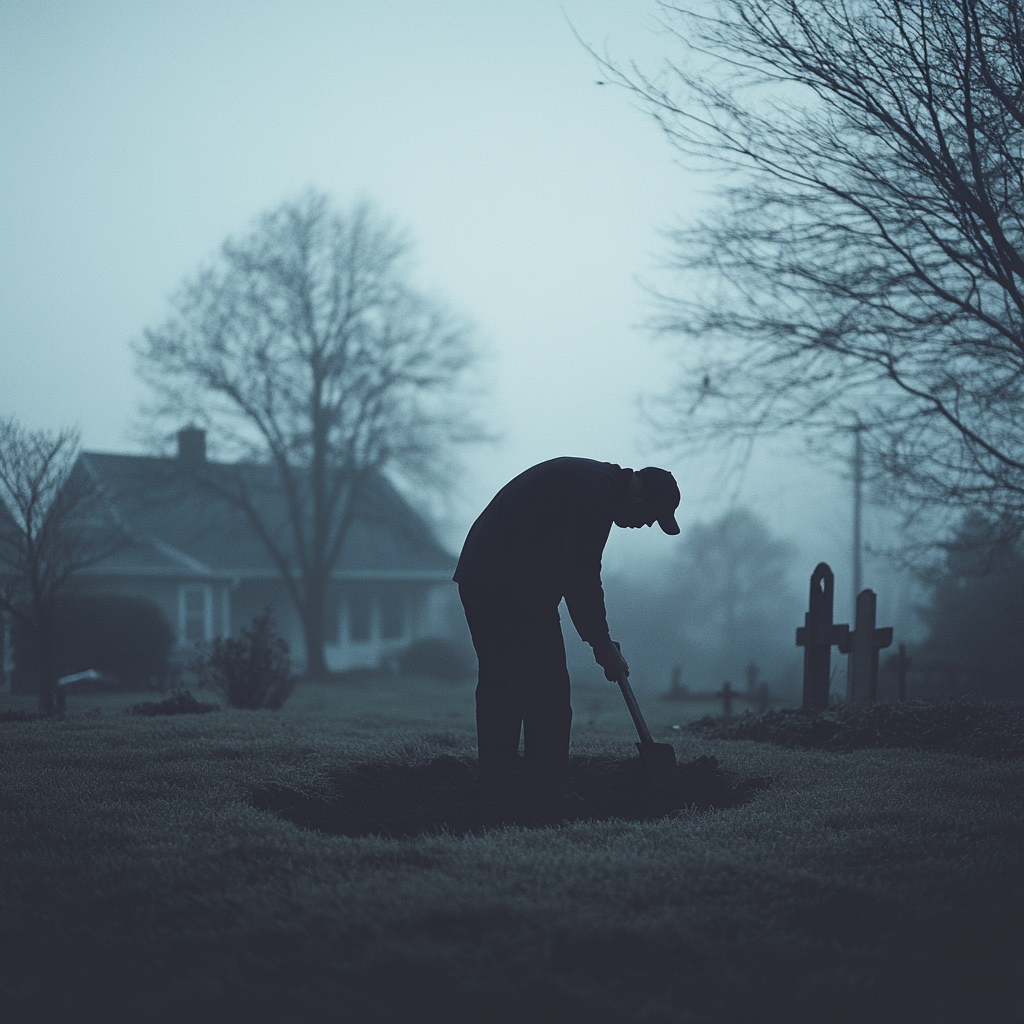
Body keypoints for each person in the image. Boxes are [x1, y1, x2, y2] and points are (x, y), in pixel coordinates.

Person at [454, 458, 680, 797]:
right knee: (547, 689)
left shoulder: (594, 482)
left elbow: (571, 569)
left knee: (501, 682)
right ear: (639, 502)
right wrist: (601, 645)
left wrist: (600, 640)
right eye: (649, 520)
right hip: (507, 583)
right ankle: (545, 789)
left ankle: (497, 783)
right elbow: (581, 576)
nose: (644, 526)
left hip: (485, 575)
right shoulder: (595, 495)